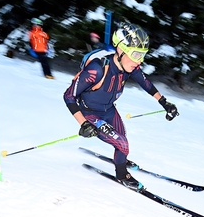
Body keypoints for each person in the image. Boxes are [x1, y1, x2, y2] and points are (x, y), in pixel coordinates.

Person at [63, 23, 179, 191]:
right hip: (90, 114)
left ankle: (120, 160)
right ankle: (122, 174)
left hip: (109, 110)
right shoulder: (97, 69)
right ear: (121, 50)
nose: (139, 60)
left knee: (122, 139)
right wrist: (83, 123)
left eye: (142, 55)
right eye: (136, 54)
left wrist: (164, 102)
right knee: (123, 144)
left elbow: (146, 83)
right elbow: (68, 96)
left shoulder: (129, 66)